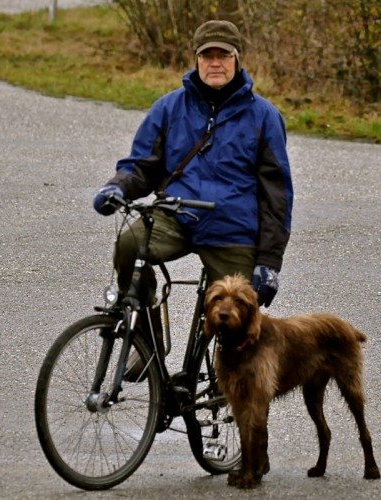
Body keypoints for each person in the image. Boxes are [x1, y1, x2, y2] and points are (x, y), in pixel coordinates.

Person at [91, 20, 293, 375]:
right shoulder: (169, 108)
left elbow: (277, 194)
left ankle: (232, 388)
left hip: (233, 229)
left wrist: (269, 262)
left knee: (240, 323)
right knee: (129, 244)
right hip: (177, 216)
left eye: (223, 55)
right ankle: (146, 342)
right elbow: (142, 165)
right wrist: (117, 187)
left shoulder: (264, 117)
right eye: (207, 55)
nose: (215, 63)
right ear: (196, 59)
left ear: (237, 59)